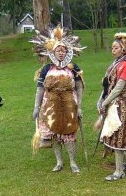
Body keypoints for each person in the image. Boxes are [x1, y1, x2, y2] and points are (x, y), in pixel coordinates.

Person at [30, 25, 86, 173]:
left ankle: (73, 162)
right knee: (54, 133)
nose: (61, 53)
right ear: (53, 52)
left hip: (69, 104)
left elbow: (80, 87)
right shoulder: (46, 69)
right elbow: (40, 88)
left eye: (63, 50)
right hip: (50, 105)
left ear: (67, 52)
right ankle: (59, 161)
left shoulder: (73, 67)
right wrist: (36, 107)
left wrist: (79, 106)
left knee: (69, 133)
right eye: (58, 50)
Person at [95, 32, 126, 181]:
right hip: (113, 103)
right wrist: (100, 100)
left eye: (115, 47)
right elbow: (107, 86)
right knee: (111, 135)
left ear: (124, 49)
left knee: (118, 136)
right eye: (112, 47)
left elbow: (119, 88)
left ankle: (119, 171)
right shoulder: (114, 65)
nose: (113, 50)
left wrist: (105, 102)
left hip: (121, 104)